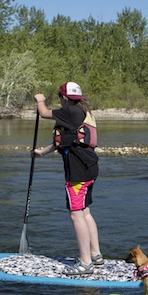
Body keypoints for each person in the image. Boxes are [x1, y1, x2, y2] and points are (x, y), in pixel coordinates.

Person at [32, 82, 104, 275]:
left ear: (64, 98)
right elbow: (63, 140)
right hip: (90, 168)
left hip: (78, 172)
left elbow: (44, 113)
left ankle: (85, 263)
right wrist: (42, 153)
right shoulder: (79, 112)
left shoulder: (69, 111)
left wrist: (40, 100)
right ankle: (96, 255)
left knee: (76, 214)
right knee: (85, 211)